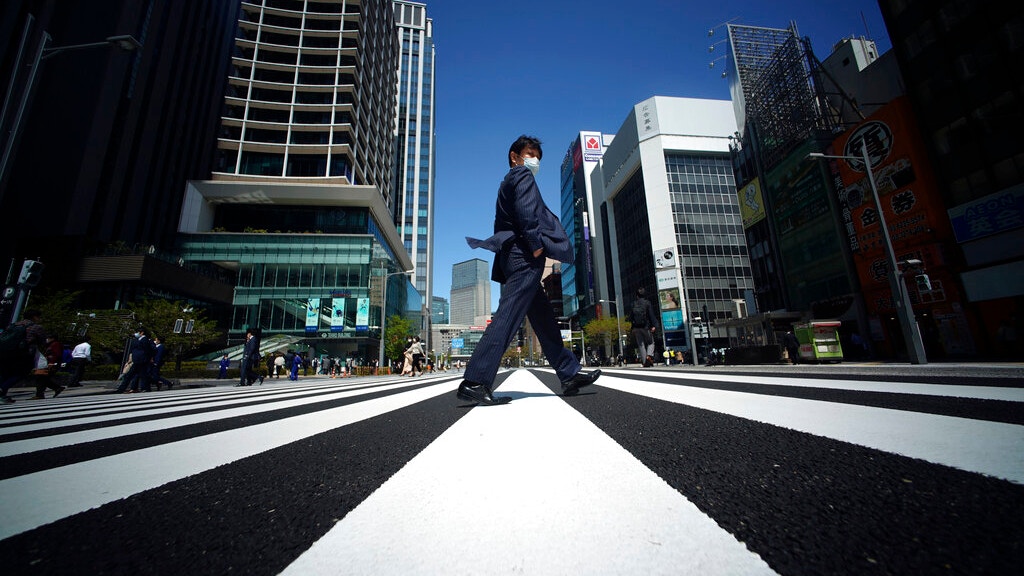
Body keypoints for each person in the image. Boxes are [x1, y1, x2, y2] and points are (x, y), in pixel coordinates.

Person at [460, 135, 600, 405]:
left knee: (544, 319)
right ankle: (475, 381)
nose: (534, 160)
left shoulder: (508, 181)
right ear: (515, 156)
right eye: (529, 153)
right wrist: (537, 246)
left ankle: (569, 373)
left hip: (515, 256)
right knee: (508, 316)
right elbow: (526, 213)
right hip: (524, 256)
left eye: (537, 156)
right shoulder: (521, 175)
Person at [30, 333, 66, 399]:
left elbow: (56, 355)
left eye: (48, 338)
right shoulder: (50, 345)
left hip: (51, 364)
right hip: (46, 364)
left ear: (52, 338)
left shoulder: (56, 344)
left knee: (41, 378)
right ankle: (57, 388)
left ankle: (40, 394)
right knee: (41, 377)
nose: (47, 339)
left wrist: (51, 363)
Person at [118, 328, 154, 393]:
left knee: (131, 375)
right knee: (142, 375)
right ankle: (147, 389)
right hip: (137, 360)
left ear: (142, 333)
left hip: (141, 360)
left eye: (138, 332)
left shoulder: (145, 340)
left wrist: (148, 358)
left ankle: (121, 389)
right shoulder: (137, 340)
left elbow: (148, 350)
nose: (136, 333)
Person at [630, 287, 658, 367]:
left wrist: (632, 327)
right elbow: (651, 315)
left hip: (636, 327)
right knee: (651, 342)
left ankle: (645, 361)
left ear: (636, 295)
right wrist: (654, 325)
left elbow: (631, 317)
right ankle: (649, 356)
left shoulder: (633, 304)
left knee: (640, 344)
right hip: (645, 326)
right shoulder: (647, 303)